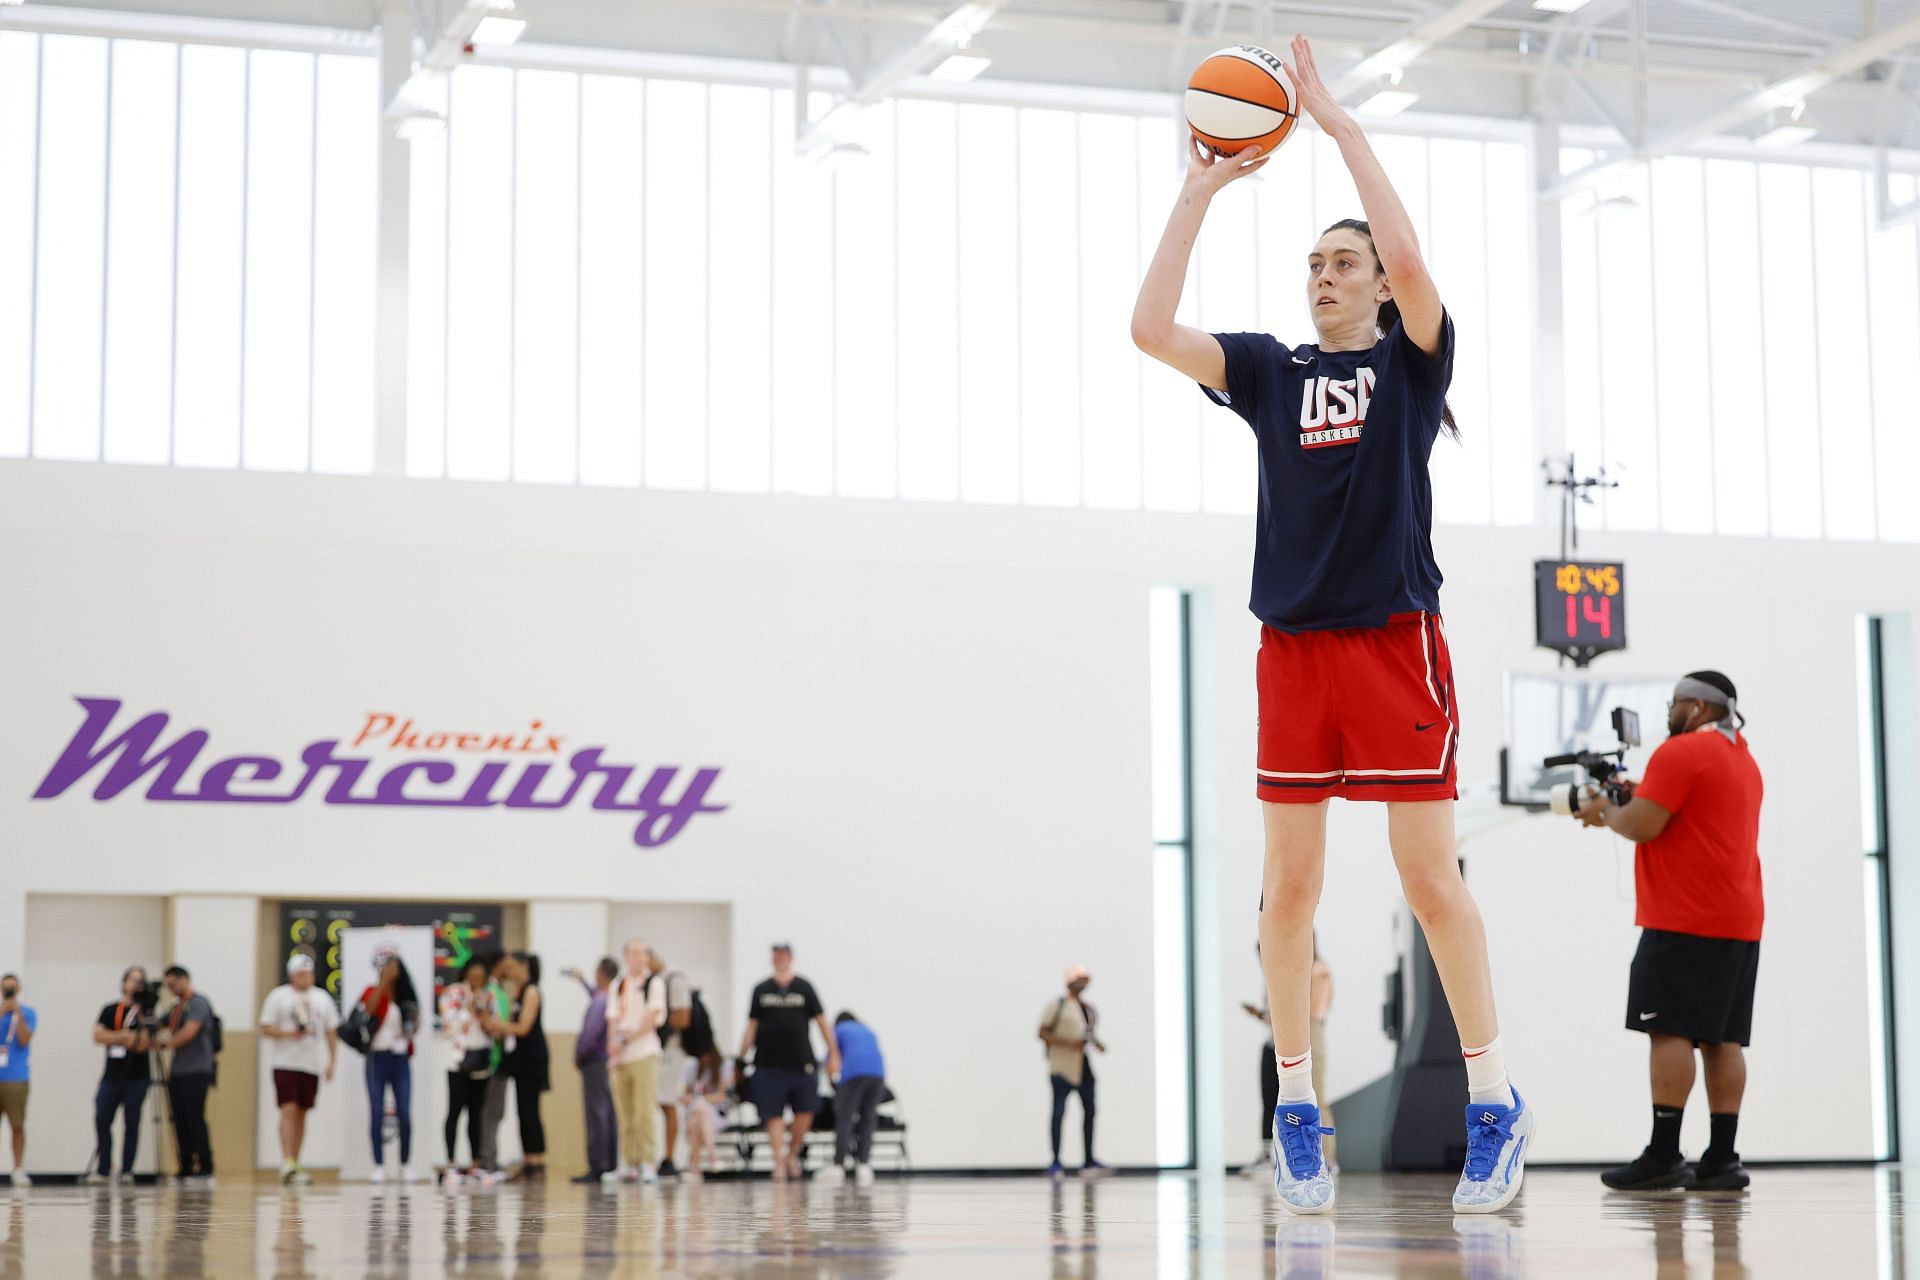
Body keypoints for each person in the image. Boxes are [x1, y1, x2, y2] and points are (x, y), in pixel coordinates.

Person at [1131, 32, 1532, 1215]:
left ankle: (1495, 1101)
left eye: (1342, 261)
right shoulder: (1266, 371)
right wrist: (1201, 187)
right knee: (1285, 892)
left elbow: (1411, 255)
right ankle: (1296, 1109)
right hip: (1294, 649)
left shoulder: (1414, 366)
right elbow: (1150, 327)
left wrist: (1342, 127)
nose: (1326, 273)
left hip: (1393, 639)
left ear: (1376, 282)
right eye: (1314, 261)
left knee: (1431, 879)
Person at [1575, 671, 1765, 1193]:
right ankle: (1723, 1159)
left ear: (1701, 709)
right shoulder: (1740, 759)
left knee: (1670, 1031)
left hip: (1684, 918)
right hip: (1739, 919)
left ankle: (1663, 1154)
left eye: (1677, 702)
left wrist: (1603, 811)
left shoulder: (1680, 753)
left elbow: (1641, 824)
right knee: (1723, 1038)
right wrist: (1629, 797)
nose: (1670, 711)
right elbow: (1679, 807)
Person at [740, 942, 838, 1182]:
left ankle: (791, 1153)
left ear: (791, 957)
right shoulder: (761, 989)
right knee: (772, 1113)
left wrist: (833, 1053)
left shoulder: (804, 987)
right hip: (768, 1063)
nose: (779, 958)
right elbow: (752, 1026)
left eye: (783, 954)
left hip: (801, 1062)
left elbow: (822, 1022)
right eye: (775, 955)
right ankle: (778, 1162)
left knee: (806, 1110)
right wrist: (740, 1057)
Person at [258, 954, 339, 1184]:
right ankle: (286, 1161)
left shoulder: (322, 998)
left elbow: (331, 1030)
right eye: (302, 973)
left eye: (310, 973)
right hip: (286, 1062)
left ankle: (296, 1160)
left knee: (303, 1112)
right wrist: (289, 1034)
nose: (307, 977)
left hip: (311, 1064)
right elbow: (266, 1027)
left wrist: (332, 1060)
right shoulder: (279, 996)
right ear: (293, 975)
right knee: (289, 1109)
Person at [354, 948, 422, 1182]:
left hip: (400, 1058)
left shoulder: (407, 996)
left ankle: (405, 1163)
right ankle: (379, 1164)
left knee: (403, 1111)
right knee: (376, 1110)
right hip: (378, 1058)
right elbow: (369, 1010)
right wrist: (383, 983)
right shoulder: (372, 991)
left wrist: (411, 1016)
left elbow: (416, 1026)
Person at [605, 939, 666, 1183]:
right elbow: (612, 1018)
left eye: (642, 953)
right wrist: (613, 1048)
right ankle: (629, 1162)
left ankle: (648, 1162)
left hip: (644, 1052)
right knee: (625, 1113)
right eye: (633, 953)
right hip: (621, 1056)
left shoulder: (655, 983)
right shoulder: (618, 984)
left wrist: (626, 1040)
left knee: (644, 1111)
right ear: (626, 957)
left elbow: (652, 1018)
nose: (638, 958)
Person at [88, 966, 155, 1185]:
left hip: (137, 1077)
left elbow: (144, 1044)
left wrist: (124, 1038)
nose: (136, 984)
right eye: (132, 979)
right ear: (124, 982)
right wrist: (124, 1036)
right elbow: (98, 1035)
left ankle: (127, 1170)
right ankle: (104, 1168)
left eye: (140, 980)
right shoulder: (110, 1009)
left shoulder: (148, 1012)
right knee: (102, 1118)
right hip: (112, 1076)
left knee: (132, 1122)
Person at [1039, 966, 1107, 1180]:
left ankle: (1088, 1160)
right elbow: (1043, 1032)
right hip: (1062, 1066)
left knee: (1090, 1111)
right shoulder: (1057, 1006)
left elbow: (1087, 1035)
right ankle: (1056, 1161)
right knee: (1059, 1112)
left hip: (1082, 1065)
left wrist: (1096, 1044)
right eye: (1079, 980)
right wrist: (1070, 1044)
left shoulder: (1088, 1009)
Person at [439, 956, 499, 1188]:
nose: (477, 981)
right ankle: (451, 1162)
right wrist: (469, 1011)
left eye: (480, 977)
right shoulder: (453, 993)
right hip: (458, 1061)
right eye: (473, 976)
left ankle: (476, 1162)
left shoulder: (489, 995)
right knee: (454, 1111)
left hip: (481, 1059)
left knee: (477, 1113)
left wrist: (484, 1015)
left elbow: (494, 1027)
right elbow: (448, 1025)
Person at [158, 966, 216, 1185]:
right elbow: (161, 1022)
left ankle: (205, 1166)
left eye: (173, 984)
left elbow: (189, 1032)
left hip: (197, 1069)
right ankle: (185, 1166)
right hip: (178, 1070)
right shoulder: (177, 1008)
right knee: (179, 1118)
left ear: (184, 979)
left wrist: (163, 1043)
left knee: (194, 1117)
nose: (171, 989)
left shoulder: (198, 1003)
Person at [496, 951, 550, 1180]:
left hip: (532, 1059)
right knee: (522, 1110)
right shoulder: (517, 992)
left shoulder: (532, 991)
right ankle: (528, 1158)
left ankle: (536, 1161)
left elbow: (524, 1027)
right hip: (520, 1060)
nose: (508, 972)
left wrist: (498, 1025)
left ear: (524, 966)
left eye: (511, 967)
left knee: (530, 1111)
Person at [567, 958, 619, 1183]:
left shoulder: (600, 1002)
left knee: (597, 1113)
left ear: (601, 973)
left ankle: (597, 1164)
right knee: (605, 1111)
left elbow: (590, 1034)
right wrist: (582, 981)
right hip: (602, 1062)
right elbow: (595, 994)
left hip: (594, 1062)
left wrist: (579, 1056)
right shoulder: (609, 998)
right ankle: (608, 1162)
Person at [820, 1011, 887, 1187]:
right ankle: (864, 1165)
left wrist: (834, 1085)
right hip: (878, 1075)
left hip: (854, 1075)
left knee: (845, 1117)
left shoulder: (839, 1030)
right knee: (868, 1117)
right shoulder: (868, 1030)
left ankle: (838, 1165)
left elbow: (831, 1061)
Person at [647, 949, 695, 1180]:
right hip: (659, 1050)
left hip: (672, 1051)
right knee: (659, 1102)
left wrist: (656, 1021)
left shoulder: (674, 979)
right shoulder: (656, 982)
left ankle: (670, 1157)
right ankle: (660, 1156)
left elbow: (682, 1017)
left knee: (667, 1102)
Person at [0, 974, 36, 1187]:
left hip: (17, 1077)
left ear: (19, 989)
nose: (9, 991)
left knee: (17, 1125)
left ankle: (18, 1169)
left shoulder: (28, 1013)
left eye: (12, 988)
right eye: (6, 988)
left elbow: (24, 1038)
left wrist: (18, 1013)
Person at [681, 1047, 735, 1184]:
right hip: (697, 1114)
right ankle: (712, 1155)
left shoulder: (724, 1066)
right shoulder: (693, 1066)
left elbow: (722, 1095)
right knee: (698, 1115)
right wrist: (696, 1102)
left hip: (715, 1115)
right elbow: (684, 1095)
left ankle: (694, 1166)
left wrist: (699, 1101)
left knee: (699, 1114)